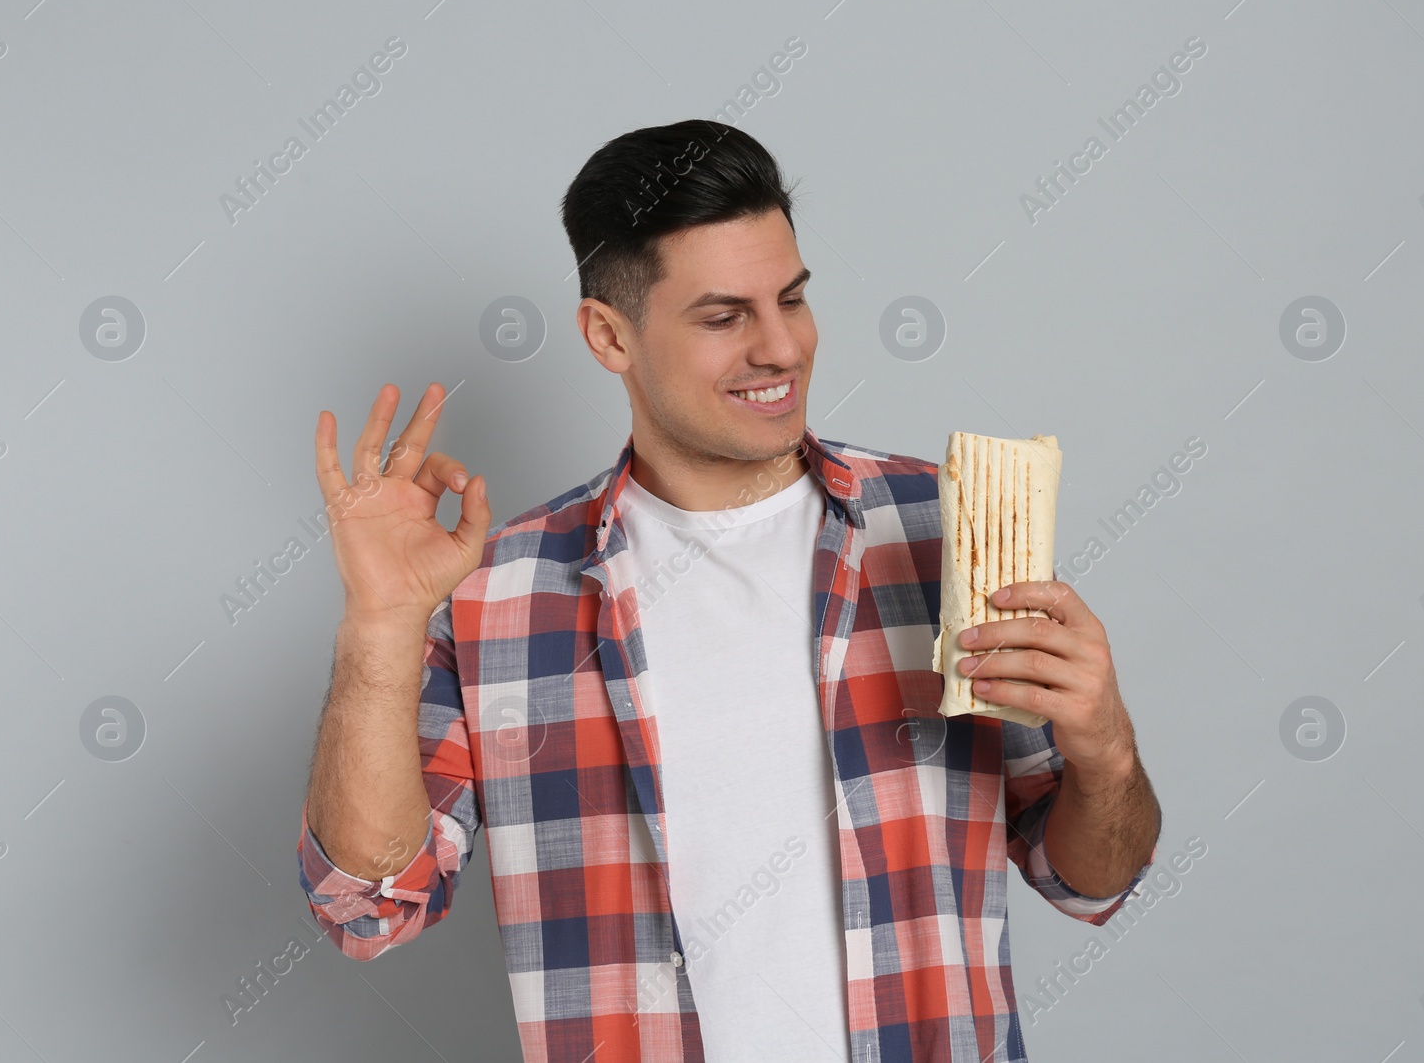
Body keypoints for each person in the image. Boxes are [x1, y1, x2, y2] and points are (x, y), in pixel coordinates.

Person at [298, 119, 1161, 1063]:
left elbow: (1084, 878)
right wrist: (380, 625)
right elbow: (369, 907)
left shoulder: (941, 531)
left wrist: (1106, 750)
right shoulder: (499, 593)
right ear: (607, 335)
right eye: (724, 317)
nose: (781, 347)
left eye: (791, 298)